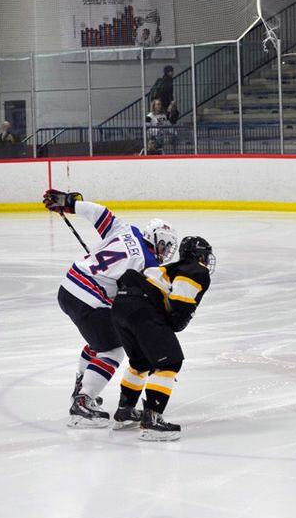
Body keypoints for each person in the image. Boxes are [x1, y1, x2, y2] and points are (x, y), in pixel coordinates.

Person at [42, 189, 178, 427]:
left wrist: (69, 203)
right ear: (156, 238)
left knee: (98, 342)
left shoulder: (127, 230)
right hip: (89, 298)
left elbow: (99, 213)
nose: (166, 252)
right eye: (166, 245)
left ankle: (80, 387)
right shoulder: (148, 264)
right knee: (113, 350)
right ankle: (83, 401)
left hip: (67, 288)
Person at [110, 235, 214, 441]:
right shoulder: (196, 270)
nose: (206, 261)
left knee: (141, 362)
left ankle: (125, 410)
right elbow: (180, 304)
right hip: (142, 308)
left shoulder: (166, 268)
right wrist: (182, 316)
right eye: (204, 256)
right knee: (170, 361)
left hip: (121, 306)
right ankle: (152, 420)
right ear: (198, 256)